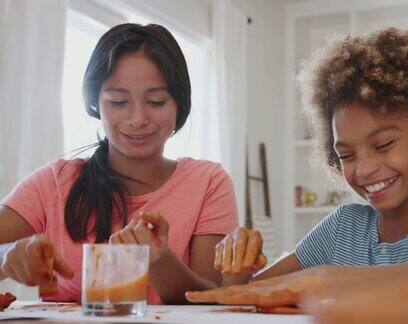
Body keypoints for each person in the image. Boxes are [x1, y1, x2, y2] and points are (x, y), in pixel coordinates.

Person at [192, 27, 408, 302]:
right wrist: (237, 269)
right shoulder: (343, 228)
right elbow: (250, 296)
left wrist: (332, 281)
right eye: (347, 155)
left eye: (383, 145)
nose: (363, 169)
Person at [0, 23, 239, 305]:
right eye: (118, 101)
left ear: (179, 104)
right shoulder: (55, 182)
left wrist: (159, 260)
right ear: (95, 103)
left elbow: (212, 300)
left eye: (156, 101)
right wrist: (7, 257)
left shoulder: (208, 182)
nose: (137, 118)